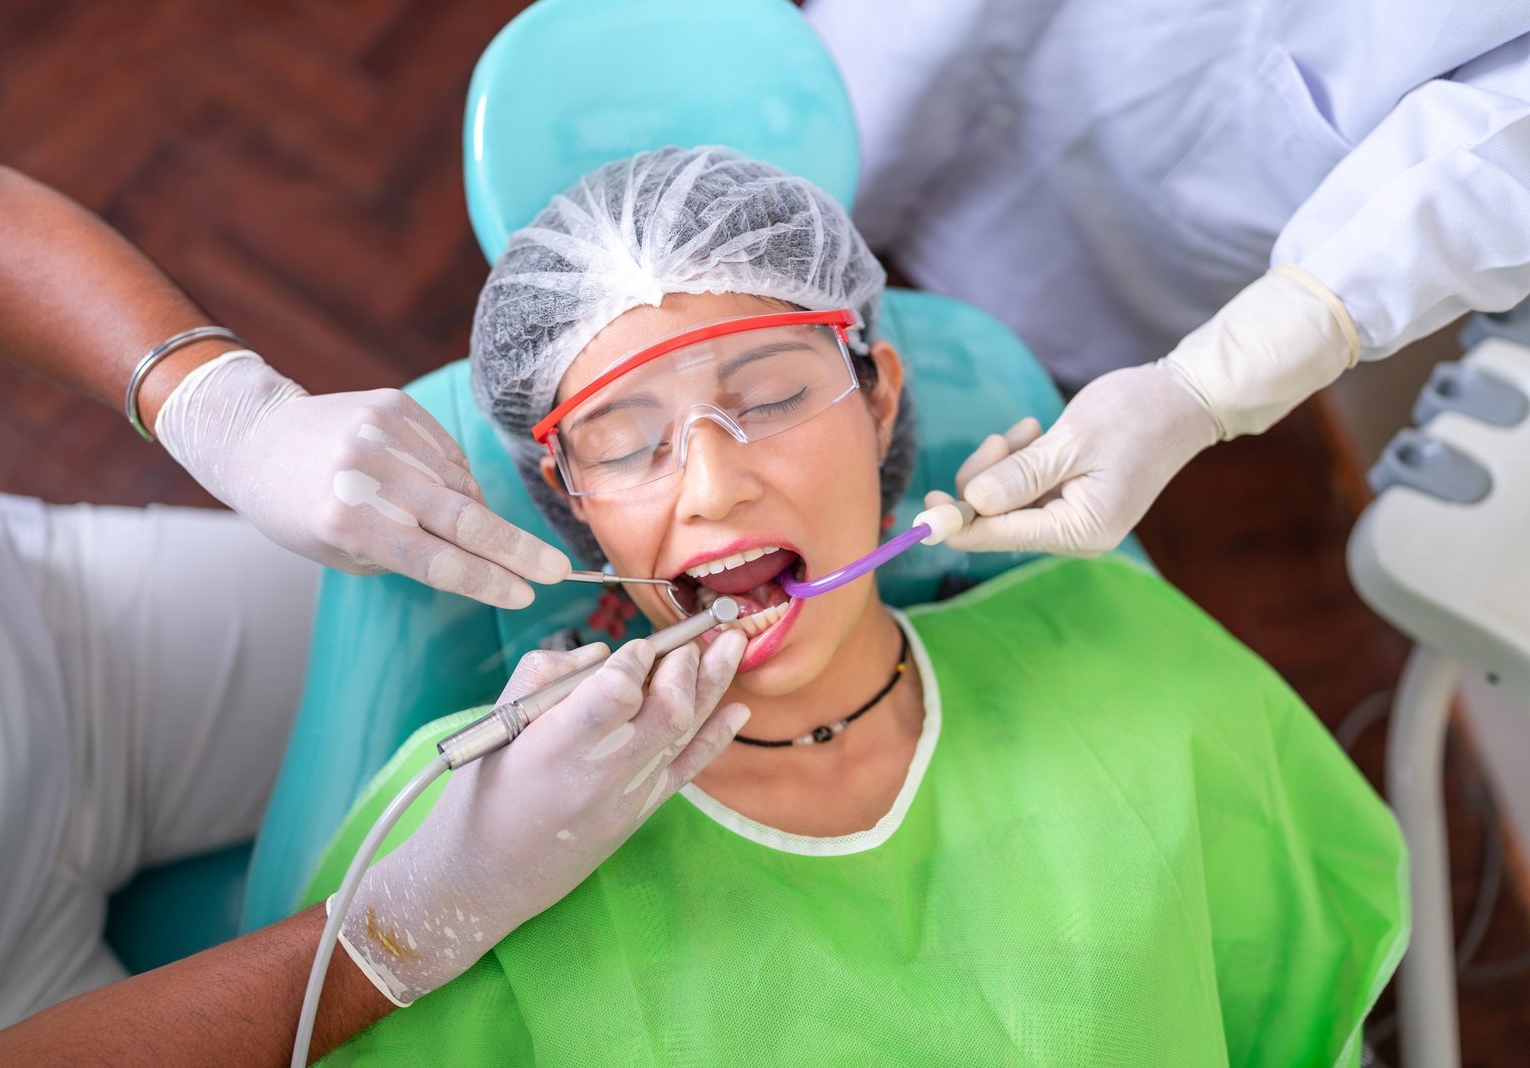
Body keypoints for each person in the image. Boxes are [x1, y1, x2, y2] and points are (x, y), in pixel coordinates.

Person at [303, 147, 1408, 1065]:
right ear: (567, 500)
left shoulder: (1135, 663)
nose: (714, 485)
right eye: (626, 442)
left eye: (771, 397)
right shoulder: (457, 833)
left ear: (880, 398)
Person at [0, 150, 747, 1064]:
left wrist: (227, 409)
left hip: (43, 630)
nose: (714, 490)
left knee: (389, 602)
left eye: (778, 393)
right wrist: (402, 928)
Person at [803, 0, 1530, 557]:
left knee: (1035, 353)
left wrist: (1201, 387)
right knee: (818, 166)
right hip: (919, 50)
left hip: (1205, 169)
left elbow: (1501, 156)